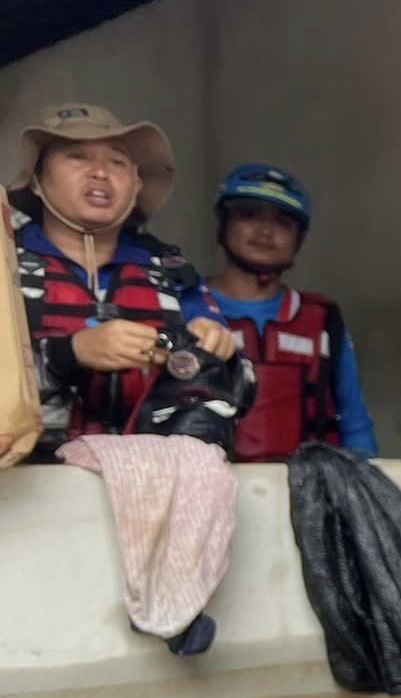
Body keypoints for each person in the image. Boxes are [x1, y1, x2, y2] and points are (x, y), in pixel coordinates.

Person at [9, 104, 235, 456]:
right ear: (37, 180)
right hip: (22, 494)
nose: (100, 172)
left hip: (150, 491)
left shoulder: (171, 275)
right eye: (77, 156)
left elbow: (240, 392)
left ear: (136, 184)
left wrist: (222, 357)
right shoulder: (7, 267)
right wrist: (69, 354)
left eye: (116, 161)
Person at [202, 162, 378, 461]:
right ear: (223, 223)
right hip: (207, 492)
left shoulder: (321, 320)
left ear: (299, 239)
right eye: (249, 215)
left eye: (283, 222)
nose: (265, 231)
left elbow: (354, 422)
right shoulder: (185, 306)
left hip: (307, 493)